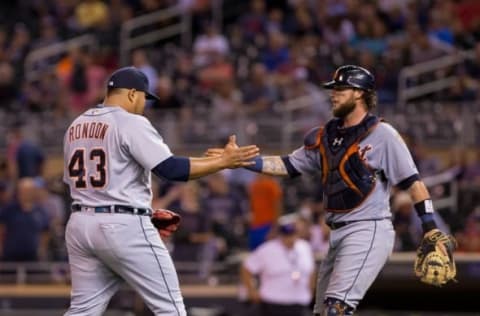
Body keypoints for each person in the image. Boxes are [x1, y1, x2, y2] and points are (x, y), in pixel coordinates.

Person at [207, 65, 452, 315]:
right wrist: (242, 161)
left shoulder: (383, 134)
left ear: (359, 93)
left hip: (368, 228)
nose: (333, 94)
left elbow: (414, 183)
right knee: (324, 312)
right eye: (333, 89)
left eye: (340, 89)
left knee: (336, 309)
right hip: (336, 233)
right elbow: (289, 164)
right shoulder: (326, 135)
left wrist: (431, 228)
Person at [62, 66, 259, 316]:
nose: (145, 104)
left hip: (80, 224)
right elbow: (170, 169)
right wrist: (223, 162)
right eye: (144, 98)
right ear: (132, 94)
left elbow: (76, 183)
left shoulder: (75, 126)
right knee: (171, 309)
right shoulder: (130, 122)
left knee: (82, 310)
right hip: (123, 225)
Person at [241, 214, 315, 316]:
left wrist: (310, 291)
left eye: (292, 234)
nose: (290, 238)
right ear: (280, 235)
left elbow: (311, 271)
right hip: (272, 304)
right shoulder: (267, 249)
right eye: (287, 235)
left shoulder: (305, 247)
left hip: (300, 304)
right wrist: (252, 291)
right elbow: (247, 268)